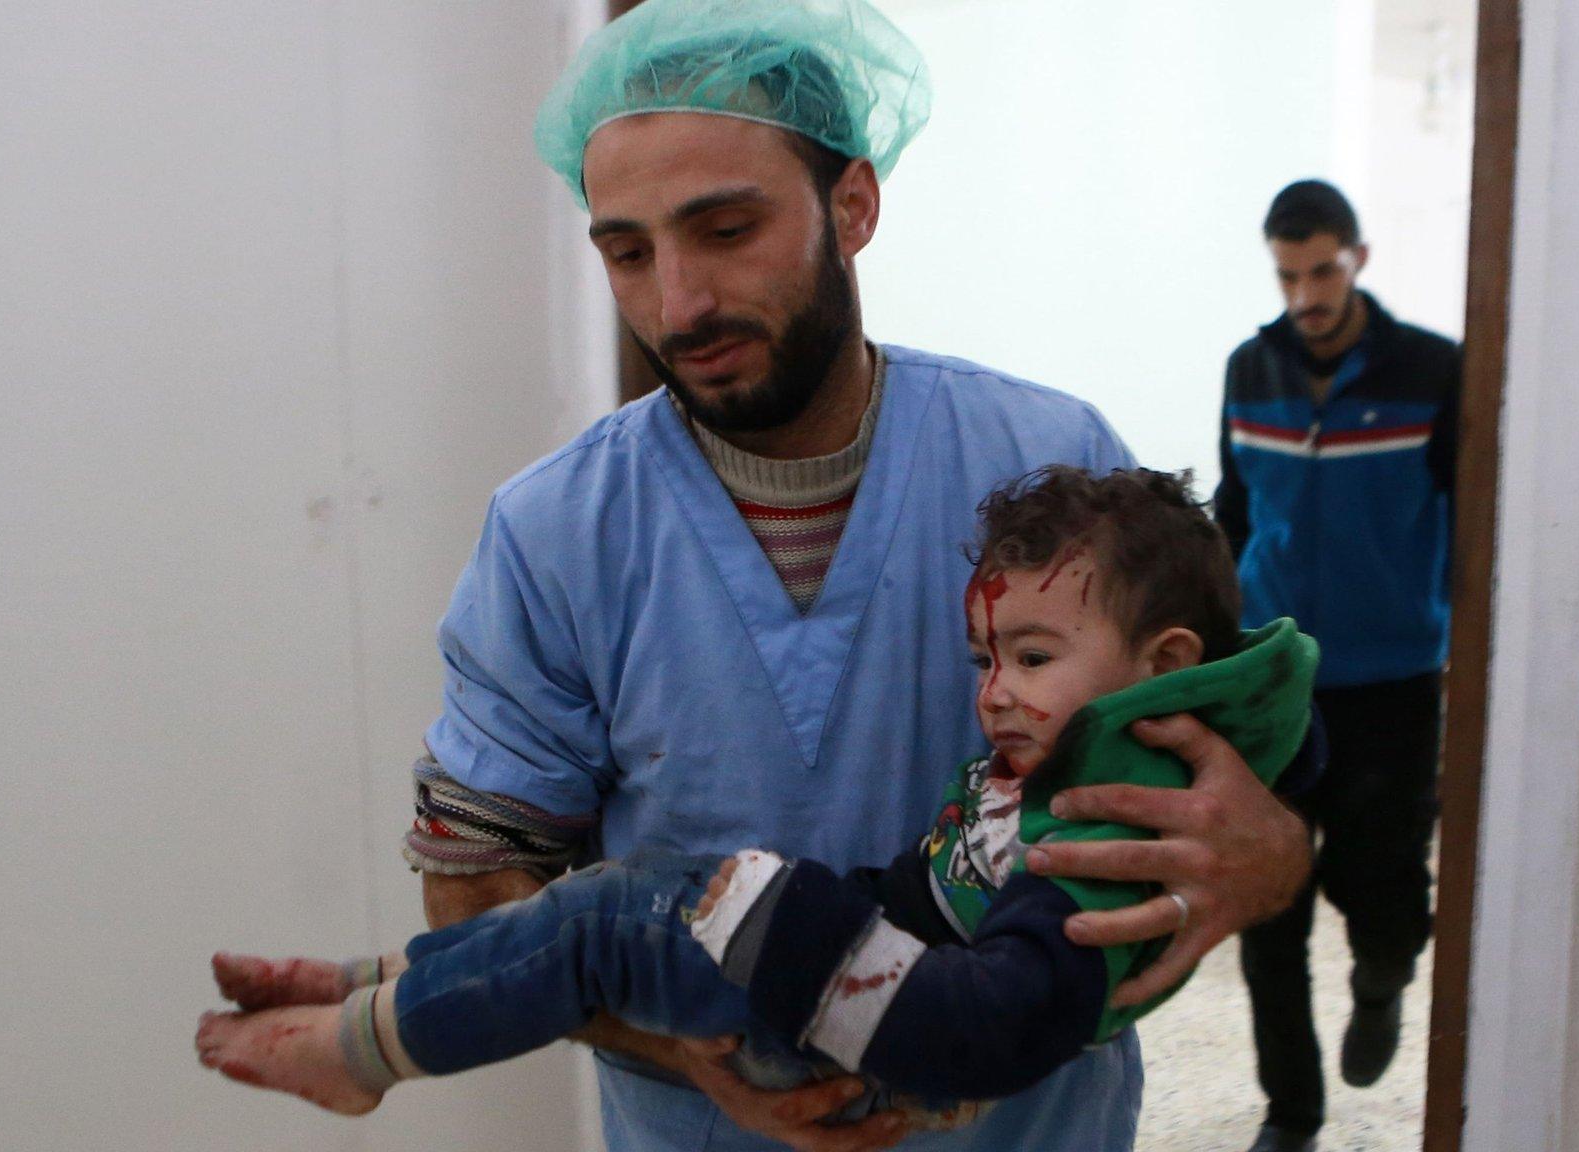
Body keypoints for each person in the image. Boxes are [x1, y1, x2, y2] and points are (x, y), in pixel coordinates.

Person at [389, 3, 1314, 1149]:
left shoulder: (1050, 461)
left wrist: (1272, 851)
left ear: (853, 205)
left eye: (724, 229)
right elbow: (475, 896)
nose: (676, 303)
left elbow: (1227, 749)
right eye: (627, 251)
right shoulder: (555, 533)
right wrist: (695, 1047)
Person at [195, 468, 1320, 1128]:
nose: (991, 697)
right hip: (844, 1020)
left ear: (850, 200)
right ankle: (374, 987)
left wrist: (785, 923)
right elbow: (932, 898)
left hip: (877, 1056)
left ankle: (366, 1050)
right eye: (984, 663)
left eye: (1028, 661)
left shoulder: (1109, 817)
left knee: (613, 921)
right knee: (607, 917)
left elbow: (992, 1025)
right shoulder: (560, 518)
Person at [1212, 179, 1460, 1152]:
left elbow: (1471, 519)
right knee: (1265, 905)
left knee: (1383, 883)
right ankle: (1290, 1113)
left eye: (1320, 270)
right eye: (1286, 275)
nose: (1304, 294)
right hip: (1272, 679)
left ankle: (1382, 972)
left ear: (1357, 257)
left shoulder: (1432, 370)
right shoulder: (1248, 368)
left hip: (1393, 679)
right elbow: (1234, 507)